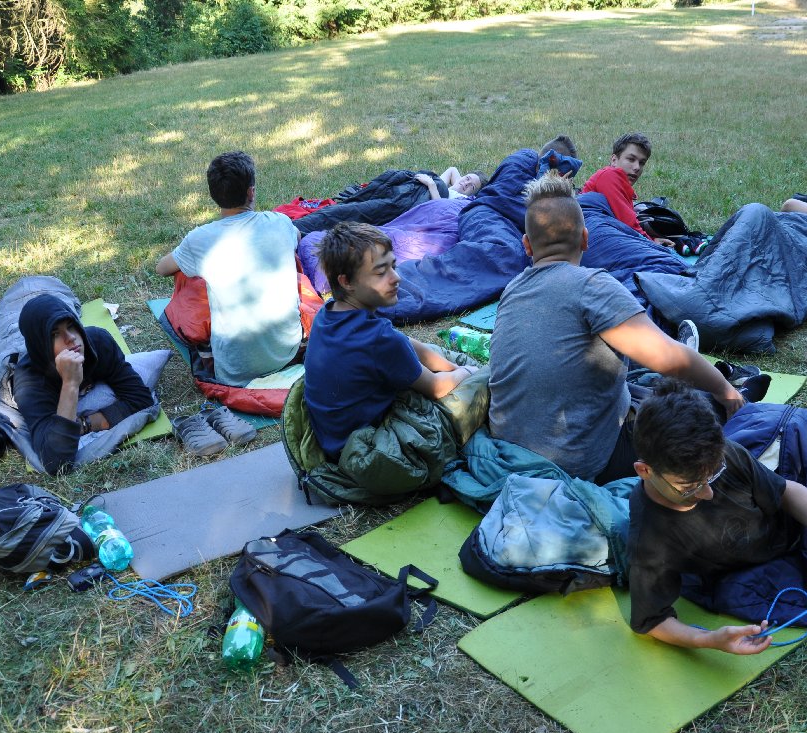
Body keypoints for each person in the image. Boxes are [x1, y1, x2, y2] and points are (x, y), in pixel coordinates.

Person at [487, 172, 744, 485]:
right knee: (691, 409)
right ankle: (729, 387)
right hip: (579, 464)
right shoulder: (591, 286)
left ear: (527, 245)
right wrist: (725, 391)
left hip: (509, 457)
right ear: (585, 238)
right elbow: (667, 357)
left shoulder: (512, 289)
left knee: (631, 376)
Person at [625, 379, 807, 654]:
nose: (708, 493)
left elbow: (786, 490)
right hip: (741, 571)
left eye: (713, 475)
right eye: (690, 486)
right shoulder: (650, 536)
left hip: (782, 536)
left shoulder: (725, 455)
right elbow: (651, 621)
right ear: (644, 471)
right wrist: (709, 640)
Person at [303, 222, 478, 460]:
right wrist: (467, 373)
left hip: (333, 440)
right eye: (380, 272)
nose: (396, 278)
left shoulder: (328, 312)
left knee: (431, 354)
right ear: (346, 282)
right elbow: (437, 388)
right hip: (370, 452)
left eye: (393, 266)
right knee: (482, 381)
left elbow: (403, 341)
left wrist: (451, 367)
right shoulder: (378, 339)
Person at [156, 151, 304, 387]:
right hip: (288, 353)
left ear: (213, 194)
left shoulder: (200, 239)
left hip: (235, 371)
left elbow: (162, 268)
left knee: (186, 274)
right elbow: (297, 237)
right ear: (251, 192)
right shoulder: (280, 222)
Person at [13, 294, 154, 475]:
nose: (71, 338)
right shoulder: (30, 381)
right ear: (42, 345)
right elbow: (56, 462)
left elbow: (141, 399)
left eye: (71, 326)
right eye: (55, 334)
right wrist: (70, 385)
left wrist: (85, 424)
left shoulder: (98, 342)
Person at [580, 132, 674, 246]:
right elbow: (627, 223)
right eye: (631, 159)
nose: (637, 167)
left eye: (642, 163)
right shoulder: (608, 175)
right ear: (614, 160)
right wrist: (651, 242)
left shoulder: (622, 187)